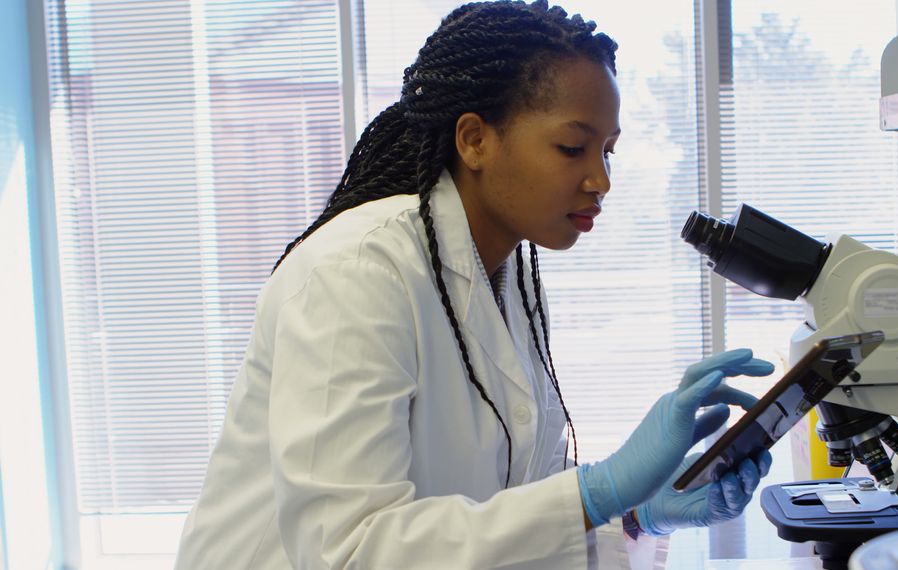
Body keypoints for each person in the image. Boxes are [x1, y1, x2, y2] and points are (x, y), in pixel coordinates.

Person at [175, 1, 774, 568]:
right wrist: (598, 492)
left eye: (607, 152)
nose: (600, 180)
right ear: (474, 139)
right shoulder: (356, 272)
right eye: (572, 147)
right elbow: (348, 552)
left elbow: (506, 508)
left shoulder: (509, 275)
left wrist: (636, 513)